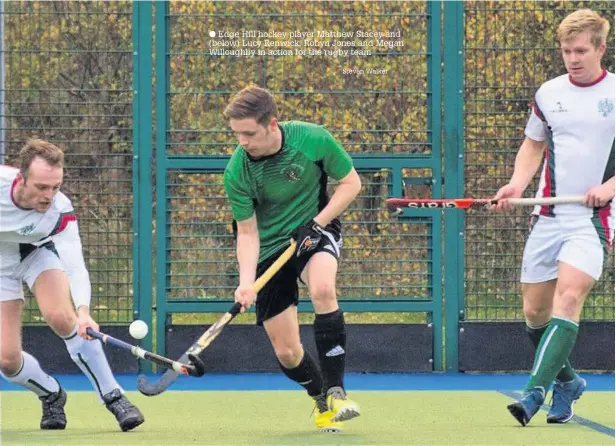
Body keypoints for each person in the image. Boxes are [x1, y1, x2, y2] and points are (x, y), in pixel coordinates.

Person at [492, 9, 614, 427]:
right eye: (566, 51)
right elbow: (532, 147)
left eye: (581, 50)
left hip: (593, 218)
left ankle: (533, 393)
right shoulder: (548, 93)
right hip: (548, 214)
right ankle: (569, 381)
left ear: (601, 48)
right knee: (534, 315)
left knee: (569, 297)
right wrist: (515, 185)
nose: (573, 58)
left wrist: (609, 188)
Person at [222, 85, 362, 432]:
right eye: (236, 134)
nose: (242, 142)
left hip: (313, 231)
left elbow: (350, 182)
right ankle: (319, 398)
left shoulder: (313, 140)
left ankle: (337, 390)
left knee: (323, 289)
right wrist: (245, 282)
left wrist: (317, 223)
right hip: (269, 249)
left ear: (272, 124)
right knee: (287, 352)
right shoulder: (237, 171)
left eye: (249, 133)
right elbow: (248, 232)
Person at [0, 139, 145, 432]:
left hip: (35, 254)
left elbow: (74, 263)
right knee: (6, 359)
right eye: (41, 187)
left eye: (55, 187)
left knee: (62, 317)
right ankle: (50, 393)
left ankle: (114, 396)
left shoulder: (59, 209)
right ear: (21, 177)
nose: (48, 196)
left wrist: (83, 310)